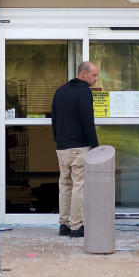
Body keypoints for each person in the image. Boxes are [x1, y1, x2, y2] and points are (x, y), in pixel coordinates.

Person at [51, 61, 100, 238]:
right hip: (79, 147)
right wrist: (95, 146)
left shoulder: (60, 91)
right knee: (79, 185)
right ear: (83, 74)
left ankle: (63, 224)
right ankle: (76, 226)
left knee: (64, 185)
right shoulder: (84, 92)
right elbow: (88, 122)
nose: (96, 79)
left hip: (62, 147)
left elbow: (54, 120)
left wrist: (59, 141)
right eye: (94, 75)